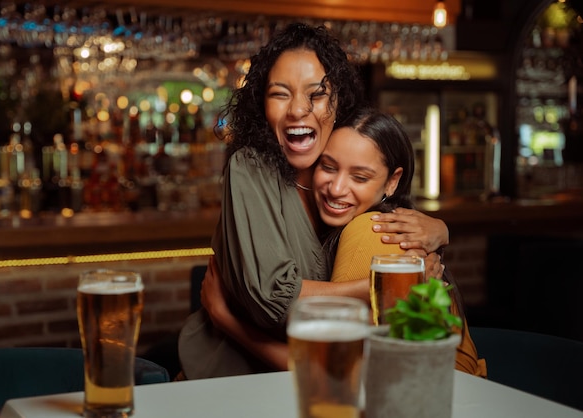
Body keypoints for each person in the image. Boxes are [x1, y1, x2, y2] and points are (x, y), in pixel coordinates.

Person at [177, 23, 450, 380]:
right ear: (262, 103)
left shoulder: (342, 170)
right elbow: (275, 302)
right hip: (228, 380)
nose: (297, 110)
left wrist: (442, 230)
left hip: (316, 380)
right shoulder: (251, 167)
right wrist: (387, 285)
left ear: (337, 103)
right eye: (280, 94)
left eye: (316, 94)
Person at [203, 108, 487, 377]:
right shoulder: (389, 225)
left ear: (392, 181)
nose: (337, 189)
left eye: (360, 176)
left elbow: (330, 368)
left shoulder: (369, 231)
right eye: (328, 166)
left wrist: (228, 321)